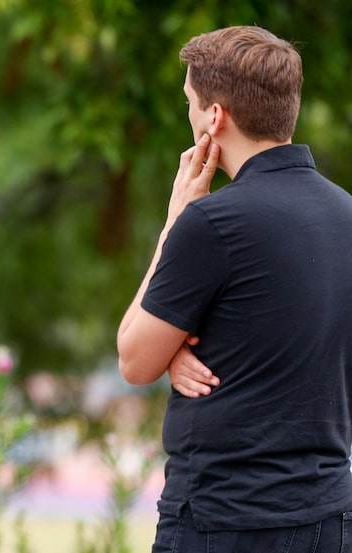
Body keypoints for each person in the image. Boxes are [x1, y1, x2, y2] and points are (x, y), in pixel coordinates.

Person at [117, 26, 352, 552]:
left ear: (215, 117)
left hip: (225, 521)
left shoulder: (211, 224)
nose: (191, 116)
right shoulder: (347, 214)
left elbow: (133, 359)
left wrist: (173, 223)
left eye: (190, 105)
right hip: (331, 520)